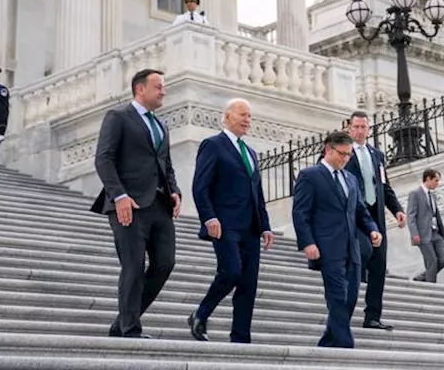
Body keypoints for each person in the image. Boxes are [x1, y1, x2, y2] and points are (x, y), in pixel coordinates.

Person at [89, 68, 181, 339]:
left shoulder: (161, 125)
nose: (164, 91)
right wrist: (119, 196)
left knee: (165, 263)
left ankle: (122, 322)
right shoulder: (118, 117)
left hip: (159, 204)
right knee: (133, 265)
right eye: (159, 86)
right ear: (140, 89)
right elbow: (103, 158)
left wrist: (174, 190)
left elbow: (166, 163)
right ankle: (130, 329)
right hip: (127, 205)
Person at [188, 98, 274, 344]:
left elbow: (258, 194)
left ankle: (241, 337)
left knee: (248, 283)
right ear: (227, 116)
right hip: (224, 224)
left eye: (249, 116)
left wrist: (265, 226)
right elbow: (200, 186)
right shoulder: (212, 145)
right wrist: (209, 217)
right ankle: (200, 313)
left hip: (250, 227)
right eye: (243, 115)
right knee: (231, 270)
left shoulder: (251, 152)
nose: (248, 120)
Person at [291, 130, 382, 349]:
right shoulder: (310, 175)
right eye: (342, 154)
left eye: (348, 155)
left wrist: (372, 229)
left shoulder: (350, 178)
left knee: (350, 297)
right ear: (328, 150)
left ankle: (328, 342)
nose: (345, 158)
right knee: (337, 296)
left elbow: (360, 210)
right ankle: (345, 346)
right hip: (327, 246)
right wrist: (308, 242)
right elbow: (300, 213)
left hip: (352, 247)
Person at [343, 110, 405, 331]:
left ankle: (373, 316)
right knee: (358, 260)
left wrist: (396, 209)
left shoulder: (377, 155)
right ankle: (343, 311)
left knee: (379, 267)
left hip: (376, 216)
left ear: (369, 129)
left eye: (363, 127)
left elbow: (384, 186)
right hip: (355, 217)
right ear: (350, 128)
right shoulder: (344, 152)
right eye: (356, 127)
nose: (360, 131)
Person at [406, 168, 444, 283]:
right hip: (423, 234)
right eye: (436, 180)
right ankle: (431, 286)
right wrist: (414, 233)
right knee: (432, 261)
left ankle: (423, 277)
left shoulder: (432, 196)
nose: (437, 184)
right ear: (428, 179)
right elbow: (411, 216)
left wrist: (443, 234)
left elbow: (436, 215)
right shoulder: (415, 194)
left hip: (435, 233)